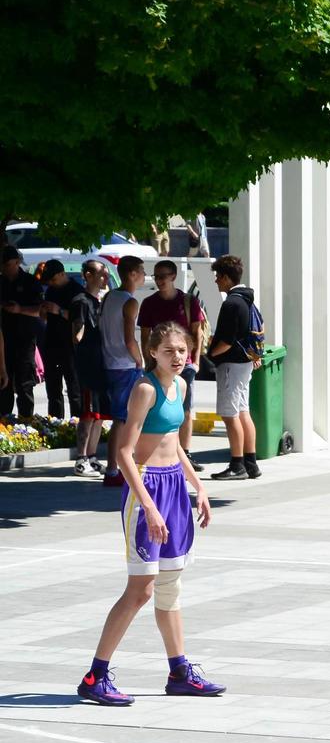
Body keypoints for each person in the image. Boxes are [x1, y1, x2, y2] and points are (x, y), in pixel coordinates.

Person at [76, 321, 221, 706]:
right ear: (153, 352)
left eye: (183, 350)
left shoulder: (183, 385)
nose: (178, 357)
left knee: (171, 584)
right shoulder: (144, 389)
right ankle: (95, 675)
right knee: (140, 589)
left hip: (173, 484)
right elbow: (124, 452)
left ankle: (179, 671)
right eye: (170, 351)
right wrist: (149, 507)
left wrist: (199, 487)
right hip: (146, 488)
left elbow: (174, 444)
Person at [139, 260, 210, 473]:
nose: (159, 280)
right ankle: (160, 450)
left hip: (185, 365)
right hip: (157, 365)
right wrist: (147, 361)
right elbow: (145, 335)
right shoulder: (149, 303)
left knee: (185, 409)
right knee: (158, 407)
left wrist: (195, 361)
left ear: (173, 276)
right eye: (156, 276)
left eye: (164, 276)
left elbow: (197, 331)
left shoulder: (188, 302)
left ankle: (185, 453)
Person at [207, 255, 260, 480]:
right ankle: (251, 463)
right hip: (245, 362)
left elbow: (226, 341)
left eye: (218, 276)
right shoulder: (247, 299)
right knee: (243, 411)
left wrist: (208, 354)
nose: (216, 281)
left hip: (231, 364)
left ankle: (237, 465)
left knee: (230, 415)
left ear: (228, 278)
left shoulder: (231, 303)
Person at [99, 256, 147, 485]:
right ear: (131, 274)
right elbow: (130, 339)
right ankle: (114, 469)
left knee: (121, 417)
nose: (144, 275)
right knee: (124, 418)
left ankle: (116, 467)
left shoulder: (109, 297)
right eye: (142, 271)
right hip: (126, 365)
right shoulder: (130, 302)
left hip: (109, 362)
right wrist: (140, 360)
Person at [71, 260, 111, 477]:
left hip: (100, 364)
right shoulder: (81, 301)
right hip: (88, 366)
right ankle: (81, 459)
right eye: (101, 274)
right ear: (88, 275)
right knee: (88, 414)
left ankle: (93, 457)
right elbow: (77, 335)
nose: (105, 278)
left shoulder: (98, 301)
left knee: (99, 414)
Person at [0, 244, 44, 417]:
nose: (4, 268)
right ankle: (4, 422)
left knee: (25, 383)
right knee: (4, 383)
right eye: (2, 265)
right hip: (4, 340)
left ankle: (26, 421)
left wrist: (20, 310)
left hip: (25, 340)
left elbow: (40, 310)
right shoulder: (1, 281)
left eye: (7, 264)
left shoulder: (30, 282)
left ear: (17, 262)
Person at [38, 259, 84, 419]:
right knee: (53, 388)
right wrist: (44, 312)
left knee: (74, 388)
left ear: (62, 274)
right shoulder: (50, 290)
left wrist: (59, 311)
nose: (51, 282)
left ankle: (77, 422)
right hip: (51, 343)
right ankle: (55, 421)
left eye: (54, 279)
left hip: (70, 345)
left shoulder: (76, 291)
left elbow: (80, 317)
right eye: (49, 280)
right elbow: (45, 317)